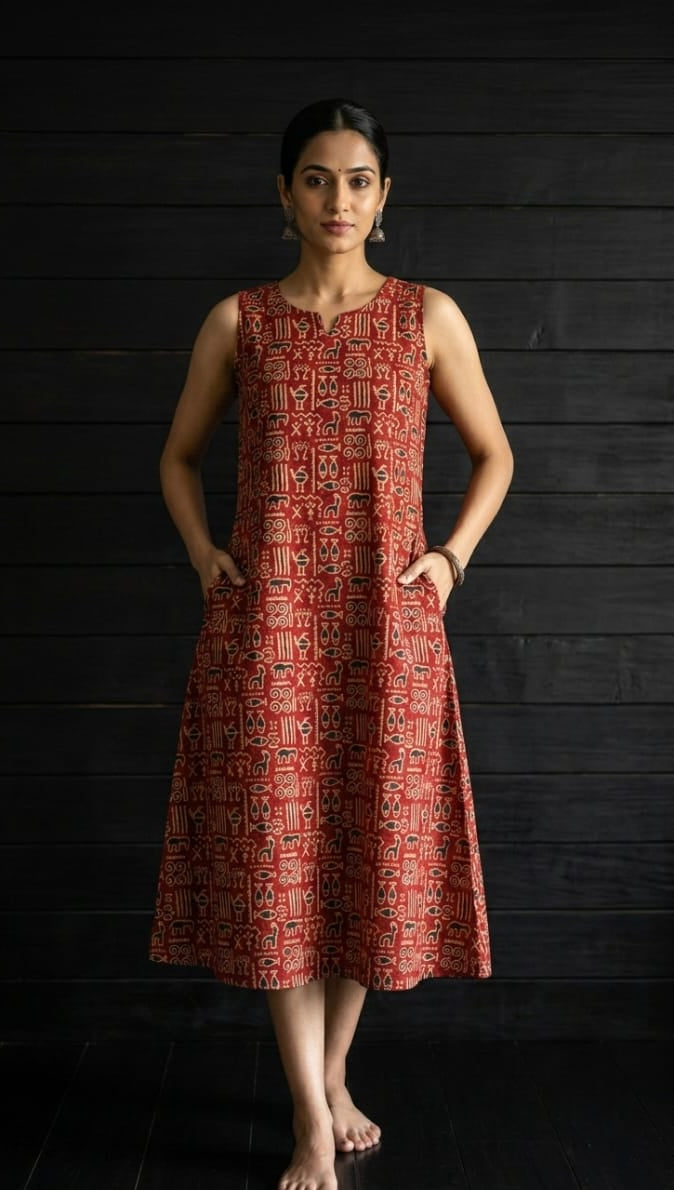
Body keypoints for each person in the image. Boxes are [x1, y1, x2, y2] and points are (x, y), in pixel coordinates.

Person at [149, 97, 514, 1190]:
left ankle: (337, 1067)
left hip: (386, 630)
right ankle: (312, 1116)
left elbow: (494, 454)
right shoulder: (238, 323)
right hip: (265, 633)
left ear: (385, 198)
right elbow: (177, 458)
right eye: (316, 178)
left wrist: (447, 560)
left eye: (358, 180)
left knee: (368, 855)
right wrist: (206, 554)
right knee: (279, 862)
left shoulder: (426, 318)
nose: (338, 199)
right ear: (283, 193)